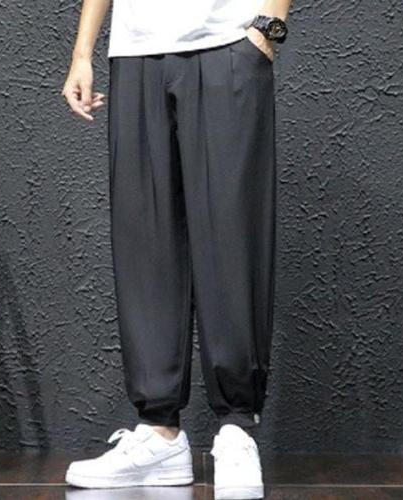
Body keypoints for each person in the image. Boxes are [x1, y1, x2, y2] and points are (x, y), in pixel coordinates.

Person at [61, 0, 291, 498]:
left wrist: (268, 29)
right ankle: (159, 433)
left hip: (229, 42)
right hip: (135, 52)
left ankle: (236, 427)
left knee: (233, 236)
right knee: (145, 237)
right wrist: (83, 52)